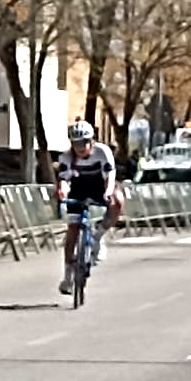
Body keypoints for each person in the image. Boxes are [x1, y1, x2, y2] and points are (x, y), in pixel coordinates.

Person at [55, 120, 121, 295]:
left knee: (118, 200)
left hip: (99, 186)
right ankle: (68, 276)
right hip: (79, 189)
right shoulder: (67, 157)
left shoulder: (102, 152)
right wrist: (63, 190)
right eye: (76, 144)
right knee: (72, 231)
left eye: (83, 143)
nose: (80, 148)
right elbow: (64, 179)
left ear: (91, 141)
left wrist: (108, 192)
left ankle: (98, 235)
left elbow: (110, 177)